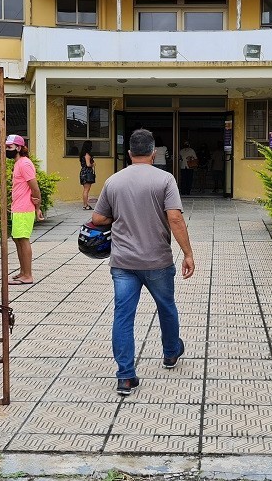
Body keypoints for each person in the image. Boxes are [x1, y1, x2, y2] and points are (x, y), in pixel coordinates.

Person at [92, 128, 195, 395]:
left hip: (123, 262)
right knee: (166, 307)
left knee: (123, 316)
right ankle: (171, 353)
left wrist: (121, 215)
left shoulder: (113, 181)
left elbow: (99, 219)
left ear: (129, 153)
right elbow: (175, 218)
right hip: (157, 261)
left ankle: (125, 376)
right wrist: (187, 253)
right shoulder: (165, 179)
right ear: (153, 153)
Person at [6, 134, 44, 285]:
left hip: (24, 209)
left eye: (10, 147)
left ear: (19, 147)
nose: (7, 149)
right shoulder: (18, 163)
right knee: (17, 239)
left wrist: (37, 207)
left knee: (23, 240)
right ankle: (23, 272)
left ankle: (27, 275)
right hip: (18, 207)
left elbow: (35, 188)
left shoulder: (24, 164)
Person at [79, 141, 96, 210]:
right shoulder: (87, 155)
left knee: (86, 189)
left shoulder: (82, 154)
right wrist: (93, 164)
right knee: (86, 190)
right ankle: (85, 205)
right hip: (87, 173)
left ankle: (85, 204)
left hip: (83, 172)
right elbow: (88, 164)